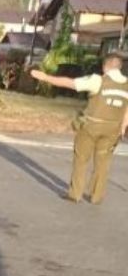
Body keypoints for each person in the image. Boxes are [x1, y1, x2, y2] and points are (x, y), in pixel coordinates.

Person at [31, 51, 128, 205]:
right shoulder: (126, 84)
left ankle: (75, 194)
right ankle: (96, 196)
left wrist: (45, 77)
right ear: (120, 67)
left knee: (81, 159)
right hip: (112, 129)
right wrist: (123, 126)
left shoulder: (98, 80)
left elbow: (70, 83)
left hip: (91, 125)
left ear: (106, 66)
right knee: (103, 163)